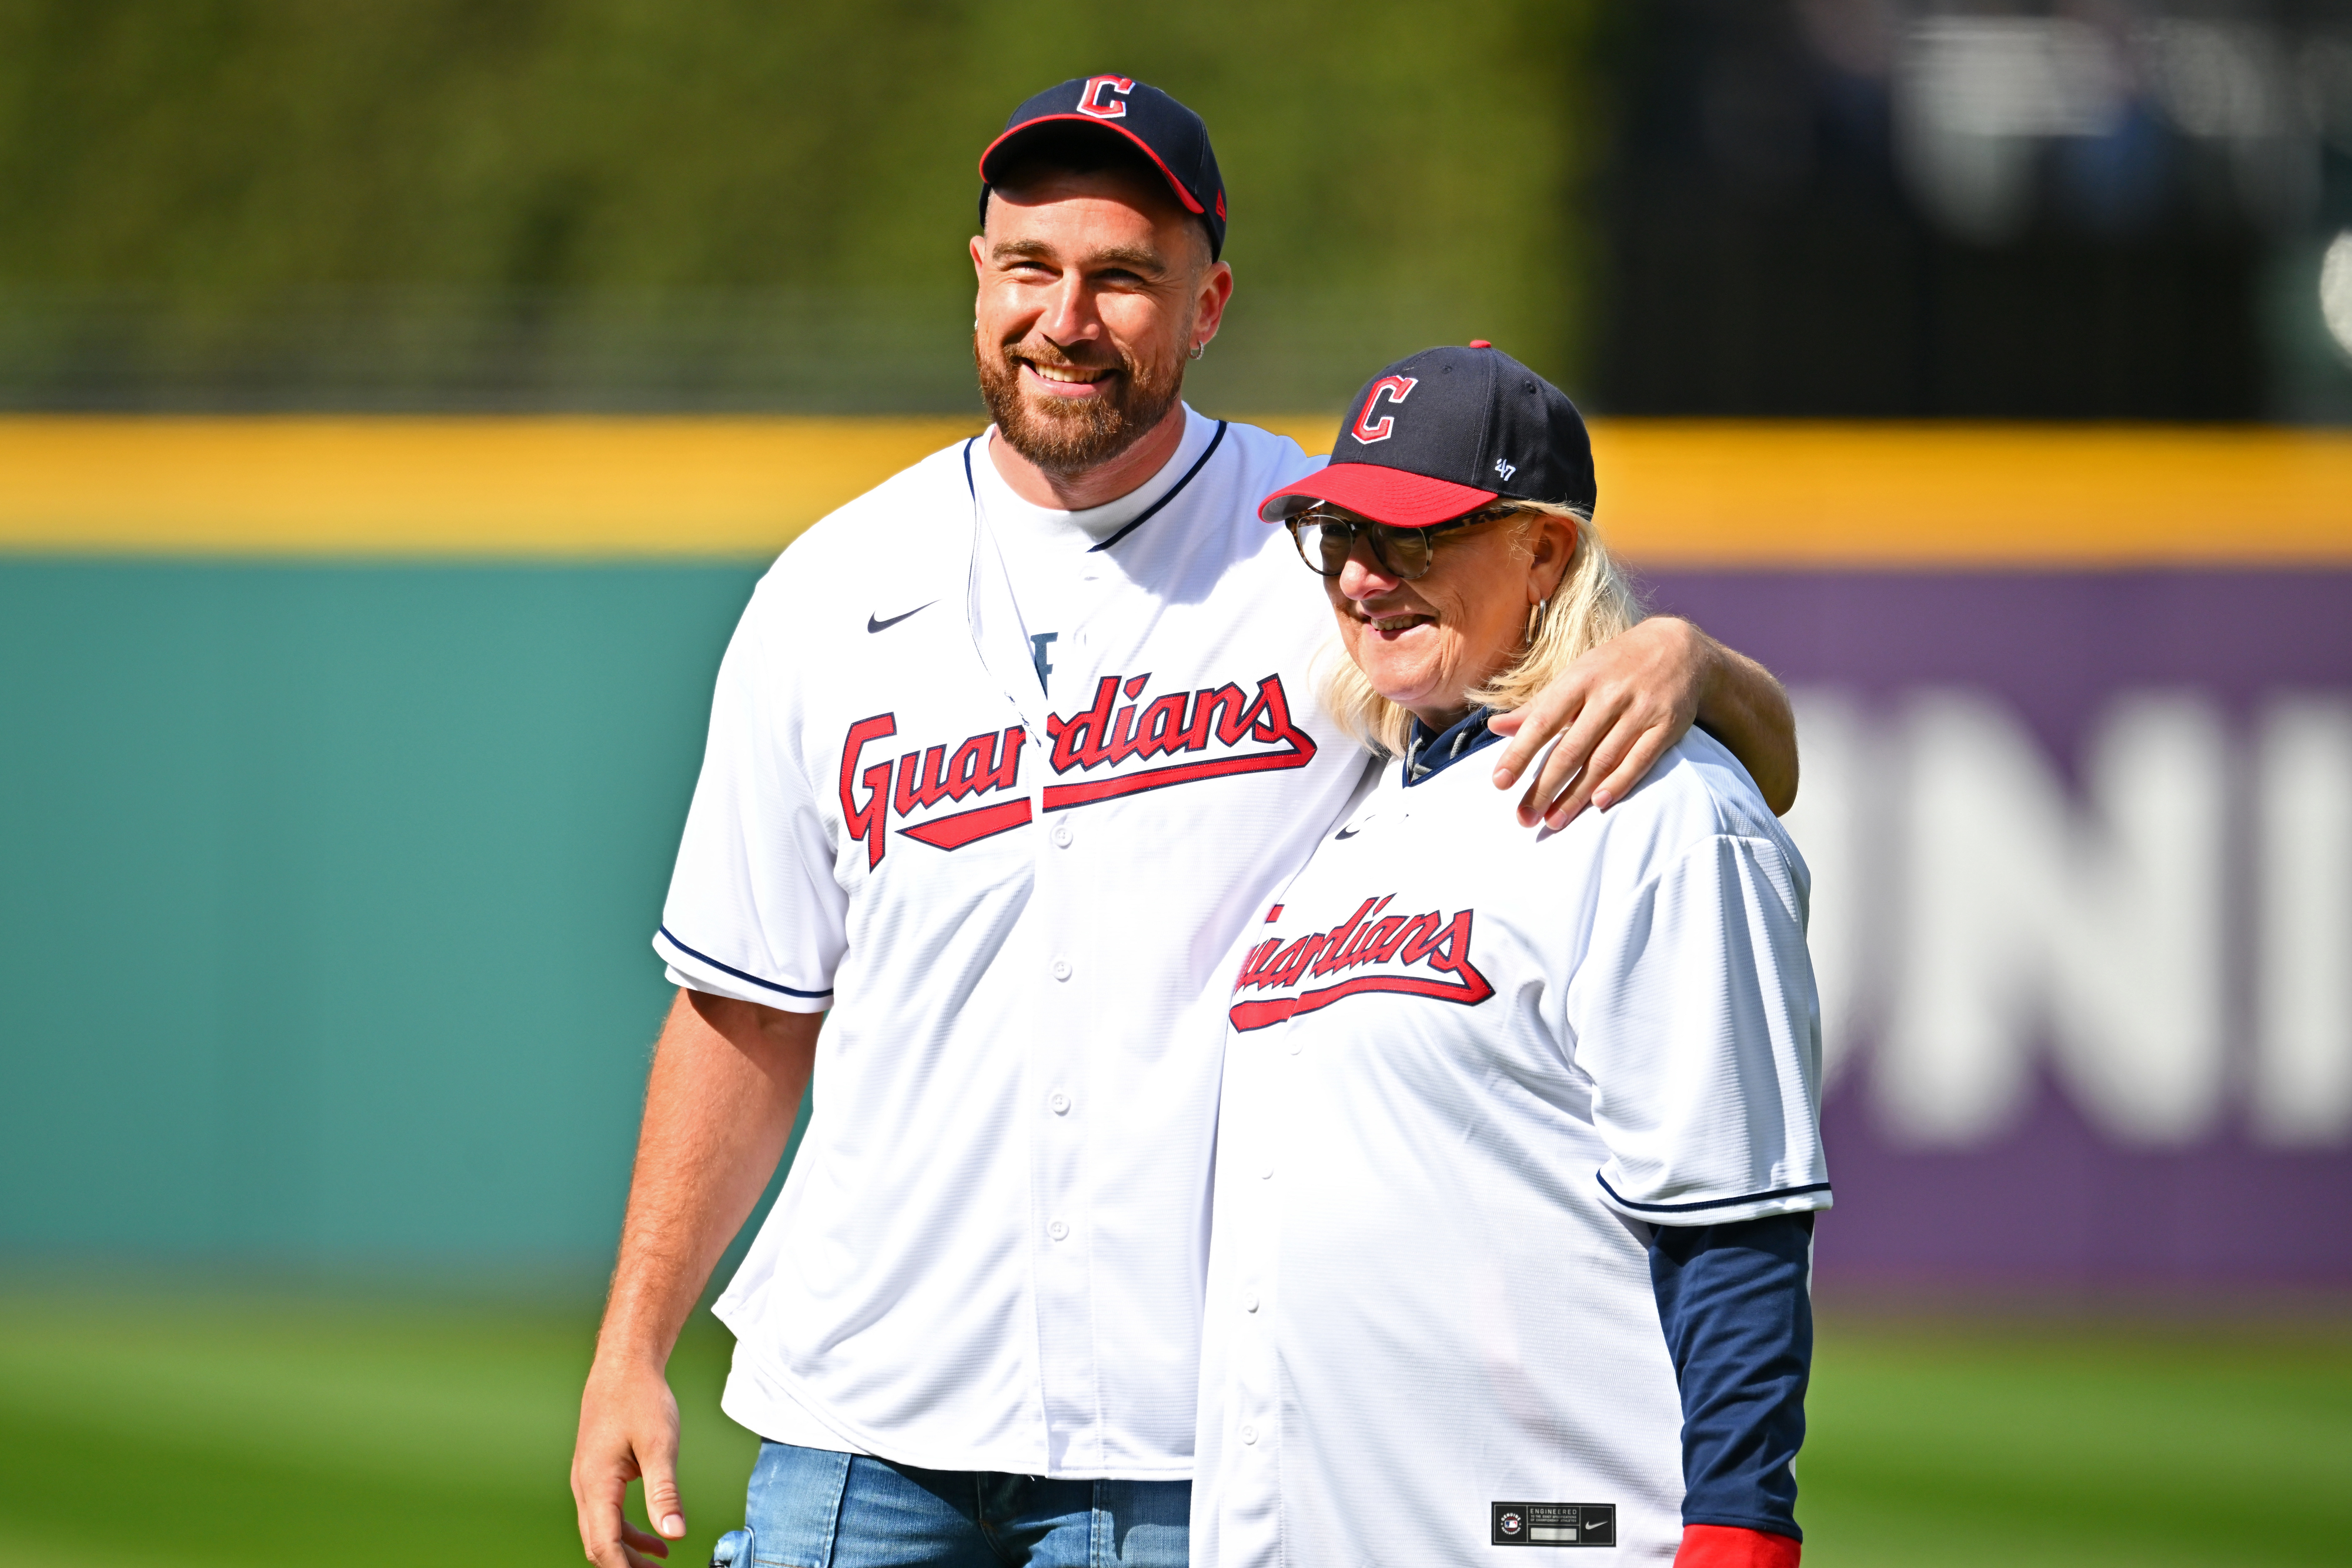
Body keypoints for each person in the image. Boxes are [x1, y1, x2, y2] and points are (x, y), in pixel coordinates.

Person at [572, 76, 1804, 1568]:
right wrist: (632, 1339)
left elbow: (1601, 681)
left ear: (1206, 300)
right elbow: (744, 1007)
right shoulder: (828, 593)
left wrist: (1691, 660)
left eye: (1121, 276)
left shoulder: (1324, 548)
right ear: (978, 276)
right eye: (1029, 267)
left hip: (1183, 1449)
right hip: (860, 1413)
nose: (1065, 316)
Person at [1191, 344, 1829, 1568]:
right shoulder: (1355, 801)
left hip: (1549, 1537)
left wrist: (1738, 1536)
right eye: (1338, 536)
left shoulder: (1659, 813)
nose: (1366, 577)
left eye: (1414, 537)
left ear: (1542, 551)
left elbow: (1735, 1212)